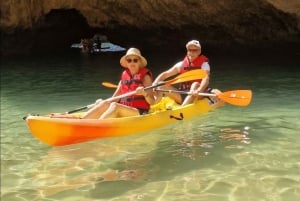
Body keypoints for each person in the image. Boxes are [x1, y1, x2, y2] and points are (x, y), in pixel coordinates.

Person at [81, 47, 155, 119]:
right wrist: (103, 102)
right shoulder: (124, 76)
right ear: (126, 62)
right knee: (105, 104)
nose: (132, 63)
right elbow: (115, 98)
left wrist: (145, 94)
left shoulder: (145, 77)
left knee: (115, 106)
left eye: (135, 60)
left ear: (139, 62)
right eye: (129, 60)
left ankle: (98, 125)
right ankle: (82, 121)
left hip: (140, 111)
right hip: (124, 109)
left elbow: (152, 102)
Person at [153, 39, 219, 105]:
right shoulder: (181, 64)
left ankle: (183, 108)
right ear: (187, 51)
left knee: (195, 84)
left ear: (199, 51)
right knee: (161, 84)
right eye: (190, 50)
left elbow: (206, 79)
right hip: (182, 94)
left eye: (194, 50)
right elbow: (165, 74)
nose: (192, 52)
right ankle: (154, 104)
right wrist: (154, 84)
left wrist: (199, 90)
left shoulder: (204, 65)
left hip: (196, 94)